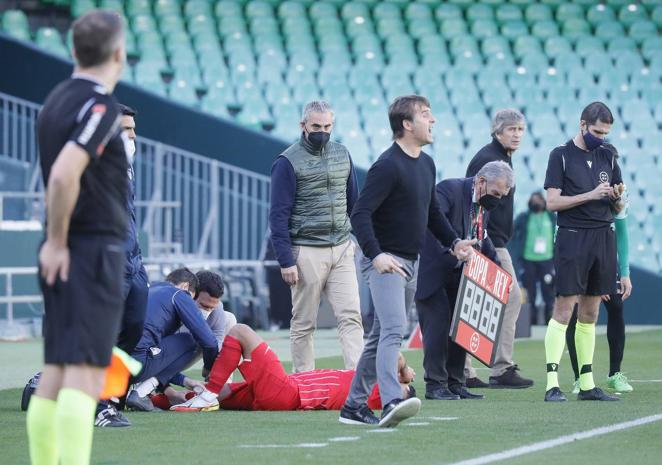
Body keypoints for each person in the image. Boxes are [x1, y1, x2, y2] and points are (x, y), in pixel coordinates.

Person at [27, 10, 128, 465]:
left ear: (73, 51)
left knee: (55, 372)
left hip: (67, 249)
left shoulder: (54, 101)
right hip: (88, 250)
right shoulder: (102, 106)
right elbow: (65, 173)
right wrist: (58, 240)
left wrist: (54, 241)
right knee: (86, 375)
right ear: (119, 53)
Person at [340, 95, 476, 428]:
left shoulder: (427, 164)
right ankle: (391, 401)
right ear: (406, 124)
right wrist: (377, 255)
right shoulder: (387, 165)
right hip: (385, 262)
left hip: (409, 262)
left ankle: (353, 406)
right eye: (426, 115)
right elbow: (359, 214)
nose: (434, 121)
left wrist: (454, 242)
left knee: (379, 337)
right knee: (393, 331)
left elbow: (431, 213)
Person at [269, 100, 364, 373]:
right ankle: (305, 381)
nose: (322, 131)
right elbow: (278, 215)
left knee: (351, 316)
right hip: (306, 250)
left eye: (327, 126)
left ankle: (356, 382)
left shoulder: (342, 154)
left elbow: (353, 203)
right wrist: (285, 260)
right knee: (303, 322)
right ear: (303, 125)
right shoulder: (287, 162)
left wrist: (359, 240)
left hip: (342, 247)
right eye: (316, 126)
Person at [543, 102, 624, 402]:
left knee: (591, 312)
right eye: (596, 131)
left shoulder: (609, 155)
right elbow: (552, 202)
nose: (601, 138)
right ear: (582, 125)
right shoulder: (560, 155)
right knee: (565, 308)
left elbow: (618, 205)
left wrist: (617, 198)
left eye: (605, 133)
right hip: (573, 236)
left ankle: (587, 383)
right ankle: (552, 382)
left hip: (604, 236)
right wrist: (591, 194)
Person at [416, 161, 513, 401]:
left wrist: (499, 272)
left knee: (462, 329)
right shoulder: (448, 190)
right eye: (496, 193)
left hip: (461, 275)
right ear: (481, 182)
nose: (497, 200)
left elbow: (483, 238)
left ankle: (455, 382)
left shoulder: (482, 206)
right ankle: (435, 384)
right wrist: (452, 248)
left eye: (502, 196)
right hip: (435, 271)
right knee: (437, 328)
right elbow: (434, 225)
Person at [163, 324, 415, 413]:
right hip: (283, 393)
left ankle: (206, 395)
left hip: (289, 393)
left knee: (240, 332)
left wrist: (404, 375)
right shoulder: (369, 384)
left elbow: (394, 358)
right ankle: (163, 399)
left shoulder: (381, 393)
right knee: (224, 393)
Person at [464, 109, 534, 390]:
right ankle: (499, 368)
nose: (517, 134)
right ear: (497, 131)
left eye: (520, 129)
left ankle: (470, 369)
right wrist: (478, 240)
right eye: (511, 129)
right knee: (509, 297)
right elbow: (474, 199)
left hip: (493, 240)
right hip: (488, 240)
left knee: (480, 300)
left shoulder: (500, 157)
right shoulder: (487, 158)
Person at [566, 144, 634, 394]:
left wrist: (623, 272)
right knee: (575, 314)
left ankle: (615, 373)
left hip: (605, 258)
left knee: (616, 306)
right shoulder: (582, 189)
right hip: (578, 258)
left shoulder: (617, 195)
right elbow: (560, 231)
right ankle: (579, 377)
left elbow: (622, 233)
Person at [126, 268, 219, 411]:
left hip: (116, 363)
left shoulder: (151, 289)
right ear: (185, 286)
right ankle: (140, 393)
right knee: (190, 340)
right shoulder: (179, 294)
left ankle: (132, 393)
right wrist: (208, 368)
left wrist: (184, 381)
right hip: (136, 364)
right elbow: (209, 342)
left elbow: (162, 362)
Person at [511, 192, 556, 325]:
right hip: (528, 259)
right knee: (530, 292)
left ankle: (550, 321)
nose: (537, 203)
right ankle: (531, 322)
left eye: (539, 200)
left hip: (547, 259)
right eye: (534, 200)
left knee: (548, 291)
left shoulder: (551, 217)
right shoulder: (524, 217)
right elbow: (512, 232)